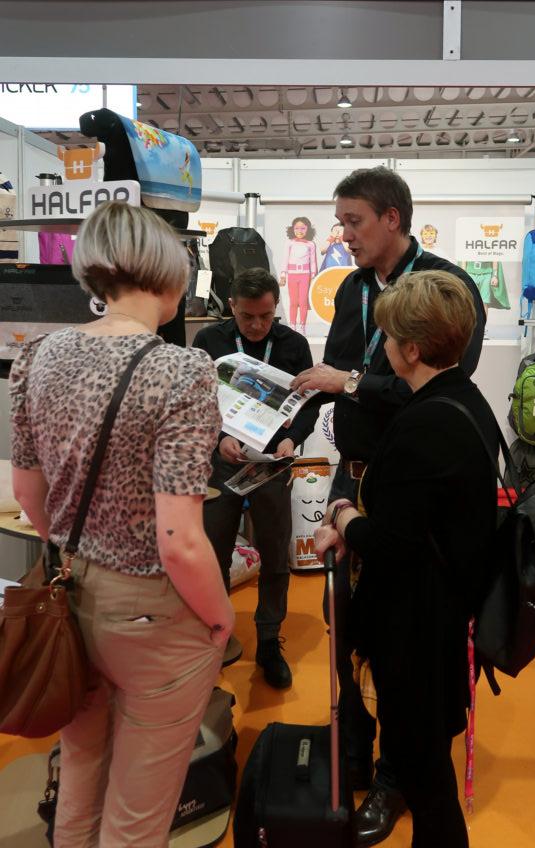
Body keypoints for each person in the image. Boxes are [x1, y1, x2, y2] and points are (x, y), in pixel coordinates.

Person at [9, 201, 233, 848]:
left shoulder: (39, 356)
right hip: (153, 611)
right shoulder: (182, 370)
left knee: (80, 773)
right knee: (138, 813)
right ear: (169, 273)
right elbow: (179, 539)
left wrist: (77, 552)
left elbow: (28, 492)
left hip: (67, 590)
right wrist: (219, 618)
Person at [291, 166, 486, 845]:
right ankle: (356, 746)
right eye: (340, 222)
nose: (343, 235)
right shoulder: (351, 289)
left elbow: (428, 381)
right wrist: (285, 431)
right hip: (356, 475)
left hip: (404, 484)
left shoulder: (443, 289)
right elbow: (334, 379)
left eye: (353, 221)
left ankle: (397, 771)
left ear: (392, 218)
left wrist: (351, 383)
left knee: (404, 633)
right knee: (348, 621)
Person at [193, 267, 315, 689]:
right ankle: (213, 638)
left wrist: (293, 439)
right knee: (212, 553)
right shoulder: (208, 341)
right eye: (248, 316)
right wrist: (218, 437)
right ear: (231, 306)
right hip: (221, 461)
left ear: (276, 306)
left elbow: (310, 406)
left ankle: (268, 641)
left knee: (275, 553)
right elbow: (196, 402)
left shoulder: (293, 345)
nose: (258, 325)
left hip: (272, 462)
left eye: (266, 315)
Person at [280, 215, 318, 334]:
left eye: (303, 228)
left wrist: (313, 276)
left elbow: (313, 261)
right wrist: (283, 275)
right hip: (292, 274)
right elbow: (285, 259)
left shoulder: (311, 244)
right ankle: (292, 325)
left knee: (303, 302)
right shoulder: (289, 243)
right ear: (292, 229)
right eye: (297, 228)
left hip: (305, 275)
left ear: (308, 229)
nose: (299, 231)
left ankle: (302, 326)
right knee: (293, 302)